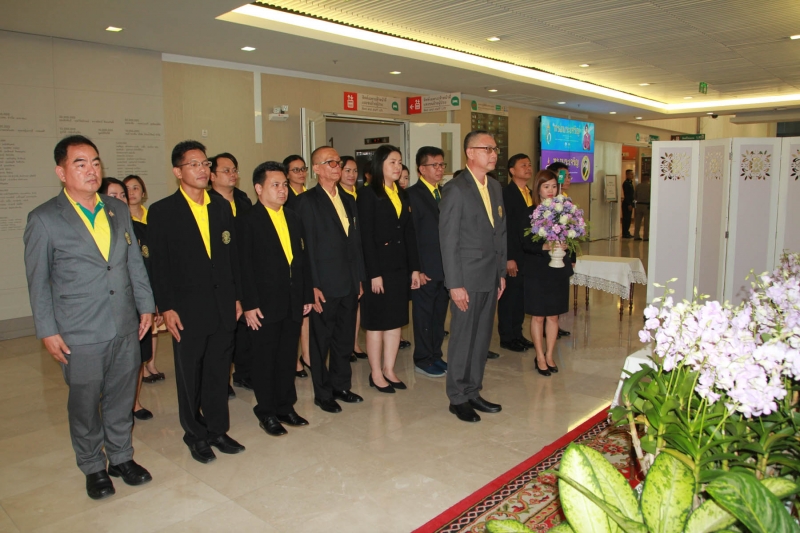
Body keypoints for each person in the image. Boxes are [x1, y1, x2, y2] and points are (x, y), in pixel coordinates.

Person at [24, 135, 154, 500]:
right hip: (79, 330)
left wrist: (146, 305)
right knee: (84, 403)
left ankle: (121, 457)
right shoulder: (44, 219)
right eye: (80, 163)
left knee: (121, 395)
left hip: (124, 322)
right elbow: (38, 281)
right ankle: (93, 465)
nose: (91, 170)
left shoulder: (117, 209)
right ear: (61, 172)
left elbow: (133, 261)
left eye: (95, 162)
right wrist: (47, 330)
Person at [148, 140, 246, 464]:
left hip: (222, 304)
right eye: (194, 164)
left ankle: (218, 429)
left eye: (205, 164)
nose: (203, 170)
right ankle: (195, 433)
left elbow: (232, 257)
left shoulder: (220, 207)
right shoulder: (162, 212)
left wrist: (237, 297)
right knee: (190, 373)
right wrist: (166, 307)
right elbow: (159, 266)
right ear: (178, 172)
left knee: (219, 371)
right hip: (186, 308)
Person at [239, 161, 313, 436]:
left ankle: (285, 405)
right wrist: (249, 304)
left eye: (284, 184)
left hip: (292, 300)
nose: (282, 190)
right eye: (275, 185)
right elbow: (243, 267)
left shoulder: (293, 217)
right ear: (259, 189)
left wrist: (306, 294)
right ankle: (266, 410)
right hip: (263, 304)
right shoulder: (247, 220)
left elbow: (302, 260)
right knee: (265, 358)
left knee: (286, 355)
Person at [439, 130, 507, 423]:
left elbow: (499, 232)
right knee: (463, 338)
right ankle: (457, 397)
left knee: (481, 338)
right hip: (466, 277)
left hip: (489, 275)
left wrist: (501, 272)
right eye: (487, 148)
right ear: (470, 153)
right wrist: (455, 284)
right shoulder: (456, 189)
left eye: (495, 149)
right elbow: (448, 240)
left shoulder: (495, 187)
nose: (493, 154)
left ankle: (472, 390)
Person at [295, 146, 366, 413]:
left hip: (349, 282)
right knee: (320, 341)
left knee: (344, 339)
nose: (337, 167)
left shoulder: (348, 199)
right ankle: (322, 393)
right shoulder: (306, 202)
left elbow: (355, 243)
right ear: (316, 169)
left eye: (338, 162)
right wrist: (311, 285)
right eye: (330, 162)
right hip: (323, 284)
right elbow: (305, 249)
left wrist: (359, 278)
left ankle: (341, 386)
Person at [357, 145, 421, 393]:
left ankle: (389, 369)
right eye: (392, 162)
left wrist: (414, 269)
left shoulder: (402, 194)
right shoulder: (368, 194)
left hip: (399, 267)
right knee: (376, 323)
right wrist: (373, 273)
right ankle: (375, 373)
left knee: (395, 321)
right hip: (378, 269)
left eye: (399, 162)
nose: (397, 167)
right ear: (380, 164)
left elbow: (409, 233)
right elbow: (366, 237)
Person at [99, 178, 156, 421]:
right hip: (107, 306)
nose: (121, 199)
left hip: (135, 302)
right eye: (114, 195)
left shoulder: (134, 226)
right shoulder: (98, 229)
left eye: (123, 195)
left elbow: (144, 266)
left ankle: (134, 402)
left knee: (136, 358)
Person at [209, 152, 254, 398]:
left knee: (246, 329)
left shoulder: (243, 200)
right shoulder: (207, 203)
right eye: (226, 170)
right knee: (223, 333)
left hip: (244, 272)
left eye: (234, 169)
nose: (232, 174)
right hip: (221, 277)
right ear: (212, 176)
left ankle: (244, 373)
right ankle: (221, 380)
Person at [523, 170, 575, 377]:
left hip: (558, 269)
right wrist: (544, 246)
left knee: (553, 316)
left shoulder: (566, 211)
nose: (551, 190)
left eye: (554, 186)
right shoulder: (530, 212)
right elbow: (524, 243)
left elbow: (573, 237)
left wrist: (569, 250)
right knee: (538, 316)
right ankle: (539, 356)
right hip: (537, 269)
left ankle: (550, 355)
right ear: (538, 189)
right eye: (546, 186)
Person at [407, 146, 449, 378]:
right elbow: (412, 236)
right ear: (421, 169)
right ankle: (423, 358)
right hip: (426, 267)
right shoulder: (413, 195)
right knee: (424, 315)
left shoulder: (443, 193)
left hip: (445, 267)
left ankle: (435, 354)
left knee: (439, 315)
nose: (439, 169)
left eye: (442, 164)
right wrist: (417, 268)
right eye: (434, 165)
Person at [124, 174, 165, 383]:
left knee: (154, 326)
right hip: (136, 279)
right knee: (141, 325)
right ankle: (141, 367)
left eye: (136, 188)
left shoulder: (153, 217)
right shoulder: (122, 220)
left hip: (153, 274)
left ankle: (151, 363)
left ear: (143, 192)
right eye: (127, 189)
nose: (132, 192)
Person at [498, 154, 536, 353]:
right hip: (513, 254)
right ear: (512, 171)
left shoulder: (531, 193)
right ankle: (507, 336)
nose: (528, 168)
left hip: (528, 254)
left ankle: (517, 333)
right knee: (509, 297)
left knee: (522, 296)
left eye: (529, 165)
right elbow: (505, 228)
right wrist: (508, 257)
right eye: (523, 165)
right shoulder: (506, 194)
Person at [282, 154, 312, 376]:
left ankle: (307, 354)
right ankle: (293, 360)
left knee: (308, 314)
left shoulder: (310, 195)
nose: (301, 173)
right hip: (293, 256)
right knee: (296, 315)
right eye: (295, 170)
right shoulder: (286, 198)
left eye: (303, 169)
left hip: (310, 254)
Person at [340, 155, 367, 361]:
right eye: (347, 170)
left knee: (358, 303)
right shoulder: (338, 196)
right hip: (345, 259)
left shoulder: (360, 194)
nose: (352, 175)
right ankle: (346, 345)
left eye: (354, 171)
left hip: (362, 254)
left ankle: (354, 343)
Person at [633, 173, 651, 241]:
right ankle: (645, 236)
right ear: (648, 178)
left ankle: (636, 235)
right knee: (646, 222)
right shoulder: (649, 186)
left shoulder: (638, 186)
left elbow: (634, 196)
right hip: (646, 206)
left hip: (639, 205)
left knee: (637, 222)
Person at [622, 169, 635, 238]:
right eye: (631, 174)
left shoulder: (630, 183)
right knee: (626, 219)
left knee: (628, 219)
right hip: (627, 203)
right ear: (627, 175)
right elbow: (627, 195)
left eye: (633, 174)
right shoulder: (626, 183)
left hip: (630, 203)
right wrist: (629, 204)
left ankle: (627, 232)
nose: (632, 175)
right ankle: (625, 233)